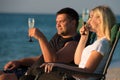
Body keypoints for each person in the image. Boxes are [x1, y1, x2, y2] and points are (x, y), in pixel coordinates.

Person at [0, 7, 80, 80]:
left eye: (61, 21)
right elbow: (42, 57)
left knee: (3, 78)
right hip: (28, 70)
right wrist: (20, 62)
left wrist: (41, 37)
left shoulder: (74, 44)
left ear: (73, 23)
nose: (57, 25)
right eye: (57, 22)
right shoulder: (58, 36)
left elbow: (51, 61)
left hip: (35, 76)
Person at [41, 5, 116, 79]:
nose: (88, 20)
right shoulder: (98, 43)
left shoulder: (101, 44)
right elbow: (77, 61)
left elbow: (86, 73)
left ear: (100, 20)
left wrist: (57, 65)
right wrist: (83, 37)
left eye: (91, 16)